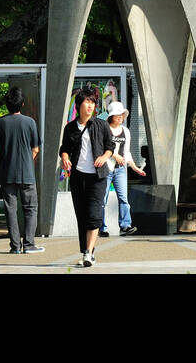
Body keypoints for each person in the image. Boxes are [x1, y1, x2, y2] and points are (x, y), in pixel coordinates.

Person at [59, 87, 116, 267]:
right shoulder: (70, 128)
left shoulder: (101, 125)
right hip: (78, 177)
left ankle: (89, 253)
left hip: (98, 178)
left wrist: (104, 157)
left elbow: (110, 146)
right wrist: (65, 159)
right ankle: (86, 251)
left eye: (93, 102)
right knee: (82, 216)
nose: (90, 106)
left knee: (94, 214)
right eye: (87, 102)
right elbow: (64, 149)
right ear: (78, 105)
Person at [0, 87, 44, 255]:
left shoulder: (0, 123)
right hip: (26, 172)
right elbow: (35, 149)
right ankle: (29, 244)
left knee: (10, 209)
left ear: (7, 104)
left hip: (6, 172)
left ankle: (15, 247)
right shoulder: (30, 122)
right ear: (22, 103)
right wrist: (27, 160)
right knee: (30, 208)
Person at [100, 100, 146, 237]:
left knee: (123, 198)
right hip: (106, 167)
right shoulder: (105, 129)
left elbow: (126, 153)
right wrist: (114, 155)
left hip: (120, 169)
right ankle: (101, 228)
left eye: (122, 114)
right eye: (118, 114)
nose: (120, 117)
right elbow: (102, 146)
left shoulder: (125, 131)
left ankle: (125, 225)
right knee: (102, 199)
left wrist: (134, 167)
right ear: (111, 116)